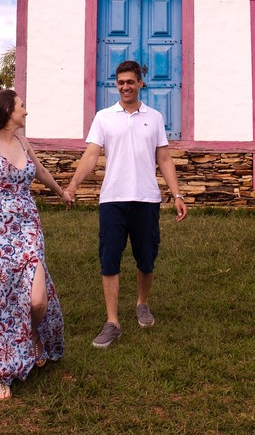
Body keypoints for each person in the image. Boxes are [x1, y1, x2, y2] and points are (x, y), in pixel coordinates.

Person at [64, 60, 188, 349]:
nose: (125, 87)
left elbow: (164, 158)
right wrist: (72, 185)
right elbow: (91, 155)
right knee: (109, 259)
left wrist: (177, 195)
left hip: (146, 199)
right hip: (113, 200)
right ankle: (112, 322)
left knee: (146, 258)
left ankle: (142, 303)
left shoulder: (154, 118)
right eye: (120, 82)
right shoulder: (104, 118)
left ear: (140, 83)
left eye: (130, 82)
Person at [0, 90, 68, 400]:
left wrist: (61, 192)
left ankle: (32, 335)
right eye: (21, 106)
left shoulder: (23, 142)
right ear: (8, 110)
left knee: (37, 300)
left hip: (28, 225)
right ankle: (5, 373)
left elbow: (40, 171)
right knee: (2, 300)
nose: (25, 111)